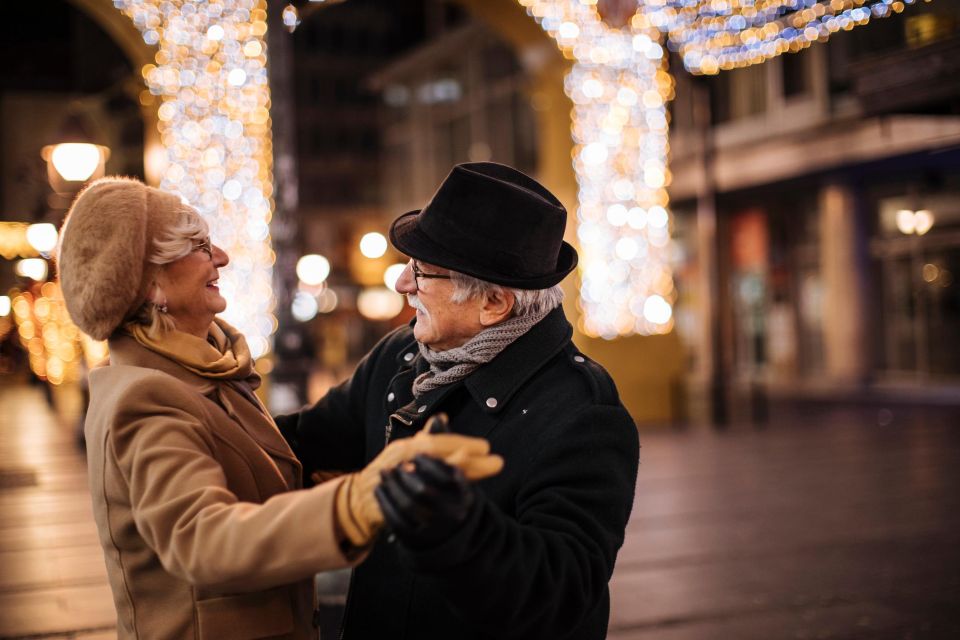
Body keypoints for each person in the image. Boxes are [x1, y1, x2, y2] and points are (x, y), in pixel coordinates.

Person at [56, 177, 502, 639]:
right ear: (152, 285)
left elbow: (261, 476)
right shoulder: (146, 396)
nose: (222, 257)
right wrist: (361, 500)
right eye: (199, 246)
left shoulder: (204, 370)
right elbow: (202, 540)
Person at [275, 162, 640, 639]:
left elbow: (561, 595)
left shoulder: (584, 415)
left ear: (493, 304)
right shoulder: (401, 356)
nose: (403, 284)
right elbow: (300, 445)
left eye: (422, 272)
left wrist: (458, 529)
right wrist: (199, 409)